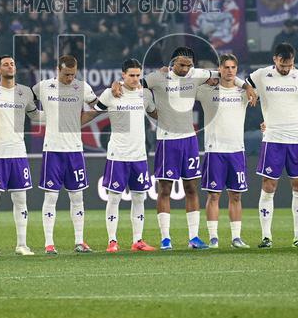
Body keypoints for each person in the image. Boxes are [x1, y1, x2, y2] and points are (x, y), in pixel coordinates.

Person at [112, 46, 224, 250]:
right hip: (167, 140)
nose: (186, 69)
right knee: (165, 190)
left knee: (192, 188)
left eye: (189, 65)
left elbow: (225, 73)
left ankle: (194, 238)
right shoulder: (156, 78)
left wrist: (247, 86)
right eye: (182, 64)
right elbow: (134, 82)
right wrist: (116, 84)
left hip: (189, 140)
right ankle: (166, 239)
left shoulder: (196, 74)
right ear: (172, 63)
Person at [85, 58, 158, 253]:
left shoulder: (146, 95)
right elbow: (93, 113)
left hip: (139, 156)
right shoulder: (111, 93)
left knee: (139, 198)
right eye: (131, 75)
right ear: (123, 75)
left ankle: (138, 240)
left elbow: (156, 114)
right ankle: (112, 241)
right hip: (118, 155)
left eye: (137, 75)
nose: (135, 79)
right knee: (114, 198)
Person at [246, 43, 298, 249]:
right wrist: (250, 90)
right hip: (273, 138)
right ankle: (266, 237)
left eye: (290, 65)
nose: (286, 69)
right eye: (283, 65)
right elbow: (244, 83)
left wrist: (295, 113)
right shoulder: (261, 75)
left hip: (296, 139)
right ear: (275, 59)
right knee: (268, 186)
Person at [32, 55, 97, 254]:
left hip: (75, 150)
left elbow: (97, 107)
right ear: (57, 70)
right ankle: (49, 244)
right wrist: (43, 118)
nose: (70, 78)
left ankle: (79, 241)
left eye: (72, 74)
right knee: (50, 197)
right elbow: (24, 100)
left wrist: (77, 122)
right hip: (52, 150)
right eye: (66, 74)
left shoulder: (82, 87)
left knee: (77, 197)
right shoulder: (43, 86)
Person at [0, 56, 39, 256]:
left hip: (18, 153)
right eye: (5, 64)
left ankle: (22, 245)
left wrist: (64, 116)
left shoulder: (25, 92)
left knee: (21, 200)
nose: (10, 66)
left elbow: (36, 116)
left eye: (12, 63)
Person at [196, 53, 251, 249]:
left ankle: (236, 237)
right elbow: (187, 80)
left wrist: (244, 85)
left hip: (236, 150)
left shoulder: (244, 93)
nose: (229, 71)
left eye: (233, 68)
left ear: (237, 70)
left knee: (236, 196)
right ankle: (213, 238)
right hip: (214, 150)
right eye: (226, 67)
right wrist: (210, 75)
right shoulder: (206, 91)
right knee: (214, 195)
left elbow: (259, 93)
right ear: (220, 68)